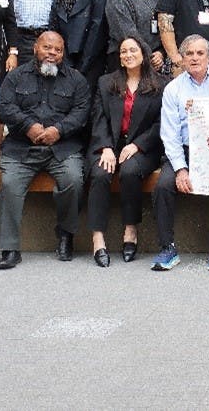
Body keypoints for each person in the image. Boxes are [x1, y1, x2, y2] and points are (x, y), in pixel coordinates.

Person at [0, 31, 91, 270]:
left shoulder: (76, 79)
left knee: (74, 180)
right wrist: (28, 126)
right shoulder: (15, 77)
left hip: (62, 147)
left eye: (58, 50)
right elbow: (4, 106)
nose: (52, 53)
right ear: (36, 48)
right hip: (21, 148)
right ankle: (10, 248)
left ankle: (66, 236)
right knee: (10, 185)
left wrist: (58, 130)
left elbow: (82, 112)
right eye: (47, 48)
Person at [151, 34, 209, 272]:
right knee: (163, 186)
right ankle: (168, 249)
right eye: (189, 54)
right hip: (185, 150)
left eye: (200, 53)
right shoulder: (173, 89)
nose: (194, 58)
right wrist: (181, 169)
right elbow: (169, 134)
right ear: (181, 59)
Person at [86, 37, 168, 267]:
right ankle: (98, 239)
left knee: (130, 172)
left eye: (133, 50)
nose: (128, 54)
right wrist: (106, 147)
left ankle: (130, 231)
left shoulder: (160, 84)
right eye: (123, 51)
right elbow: (98, 118)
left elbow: (161, 123)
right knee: (101, 174)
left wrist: (137, 145)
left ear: (143, 54)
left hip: (143, 147)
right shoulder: (106, 82)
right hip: (108, 145)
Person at [49, 0, 109, 87]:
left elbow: (97, 32)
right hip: (64, 61)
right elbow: (54, 29)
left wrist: (82, 66)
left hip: (90, 62)